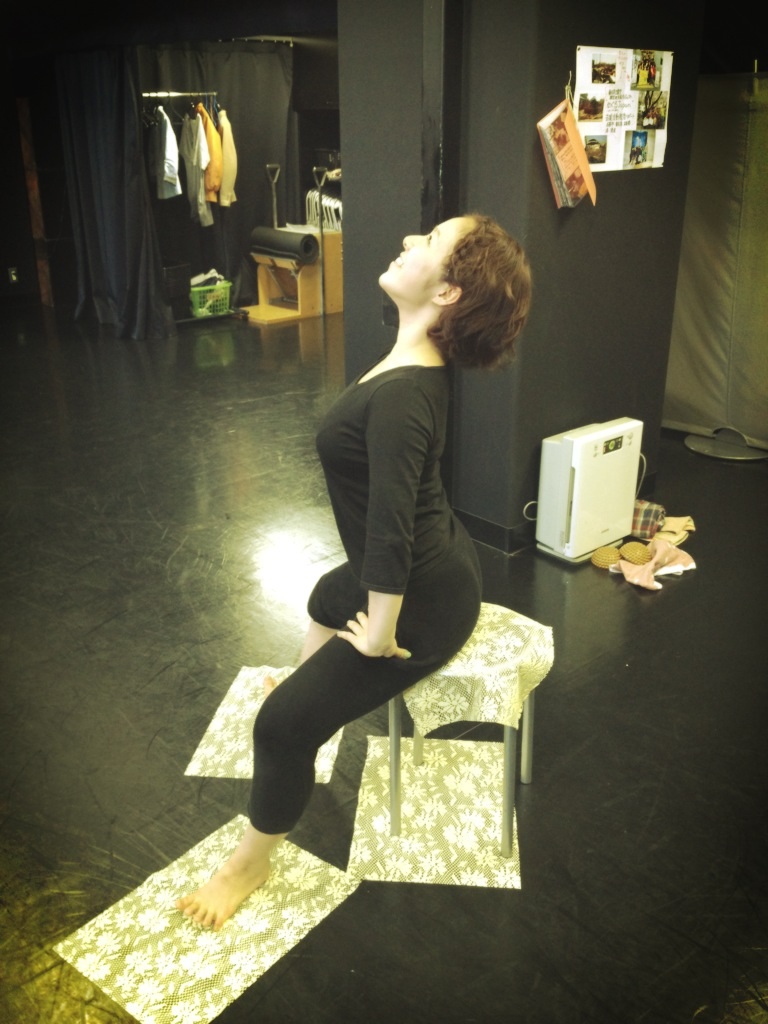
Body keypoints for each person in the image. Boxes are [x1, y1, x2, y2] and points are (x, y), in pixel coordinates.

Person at [176, 213, 531, 930]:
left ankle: (249, 864)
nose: (407, 241)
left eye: (429, 242)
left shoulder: (403, 393)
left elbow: (390, 529)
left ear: (449, 293)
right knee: (322, 596)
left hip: (424, 603)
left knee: (280, 726)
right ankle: (315, 692)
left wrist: (379, 633)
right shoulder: (411, 364)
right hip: (438, 559)